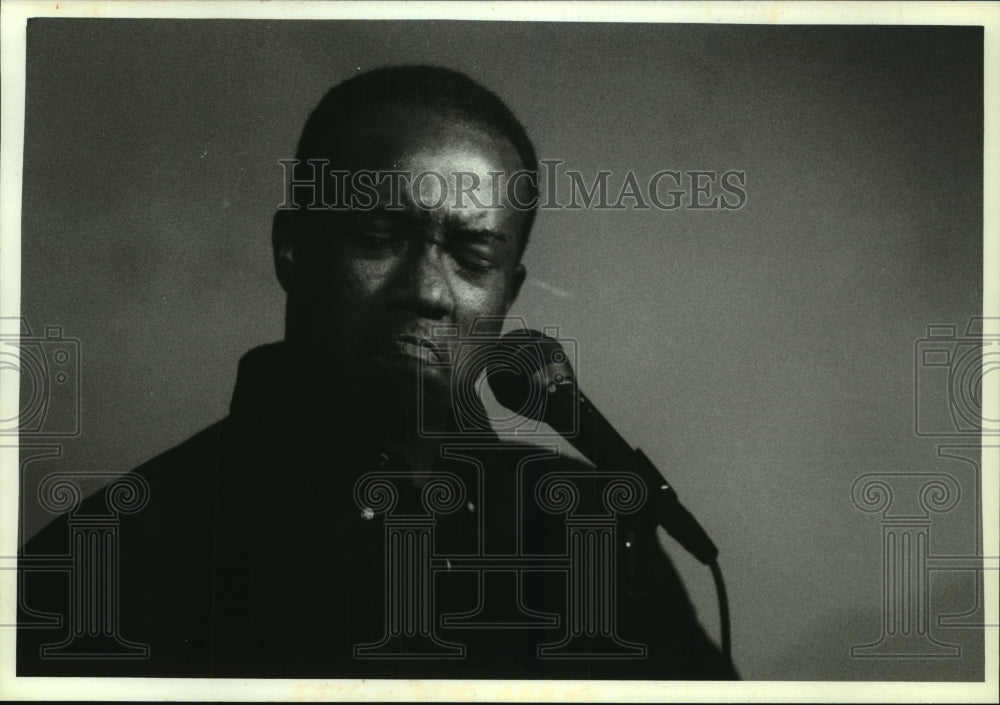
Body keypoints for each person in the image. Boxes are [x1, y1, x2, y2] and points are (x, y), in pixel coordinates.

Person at [18, 65, 737, 679]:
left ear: (508, 295)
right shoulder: (102, 559)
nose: (426, 289)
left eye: (472, 257)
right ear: (293, 249)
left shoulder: (600, 535)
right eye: (377, 237)